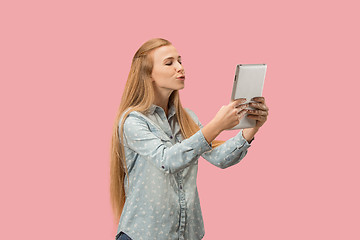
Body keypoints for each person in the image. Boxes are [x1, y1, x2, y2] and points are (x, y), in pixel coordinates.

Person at [110, 38, 269, 240]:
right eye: (169, 63)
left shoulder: (187, 118)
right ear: (147, 74)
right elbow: (166, 160)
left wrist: (251, 128)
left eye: (180, 61)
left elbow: (220, 158)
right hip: (143, 234)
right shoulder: (133, 121)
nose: (180, 68)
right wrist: (216, 125)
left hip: (186, 235)